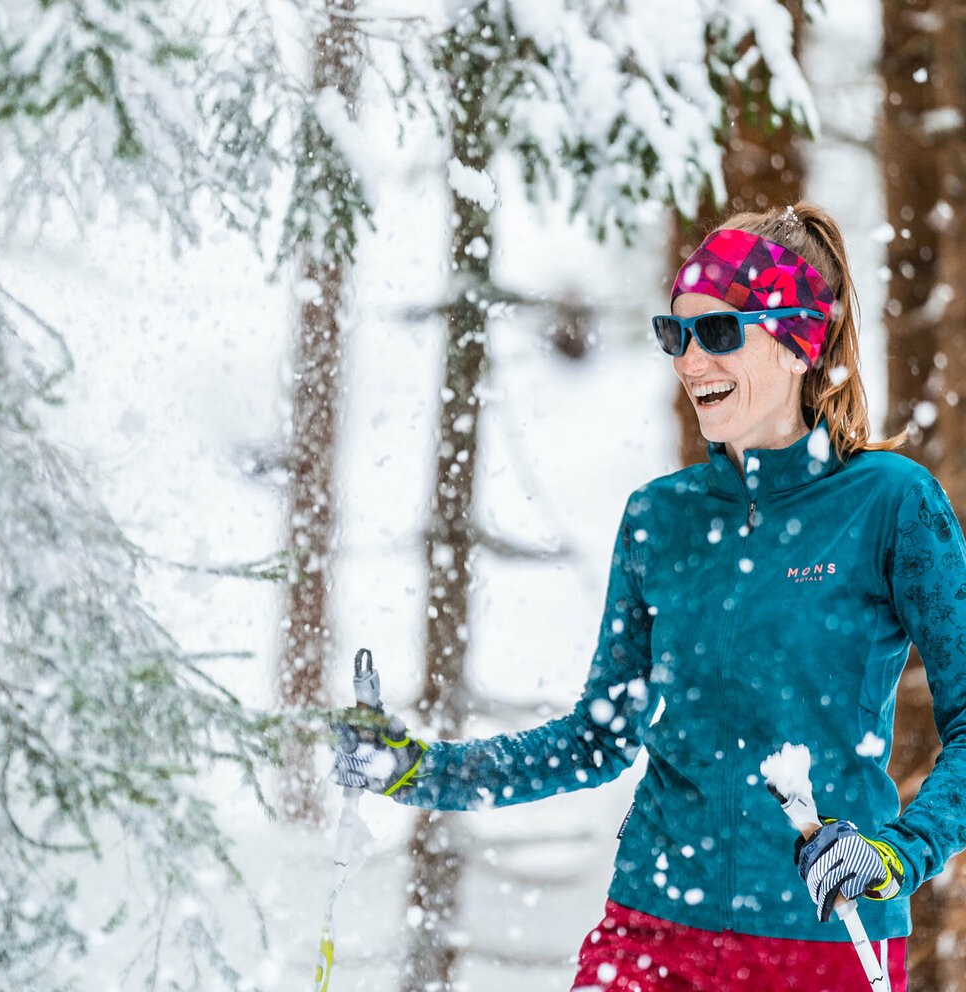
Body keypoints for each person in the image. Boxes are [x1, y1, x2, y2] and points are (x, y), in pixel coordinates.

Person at [333, 202, 966, 991]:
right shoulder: (661, 519)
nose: (691, 360)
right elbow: (597, 740)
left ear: (800, 342)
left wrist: (893, 857)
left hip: (819, 940)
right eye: (677, 334)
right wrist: (419, 771)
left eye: (720, 332)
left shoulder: (890, 504)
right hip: (654, 930)